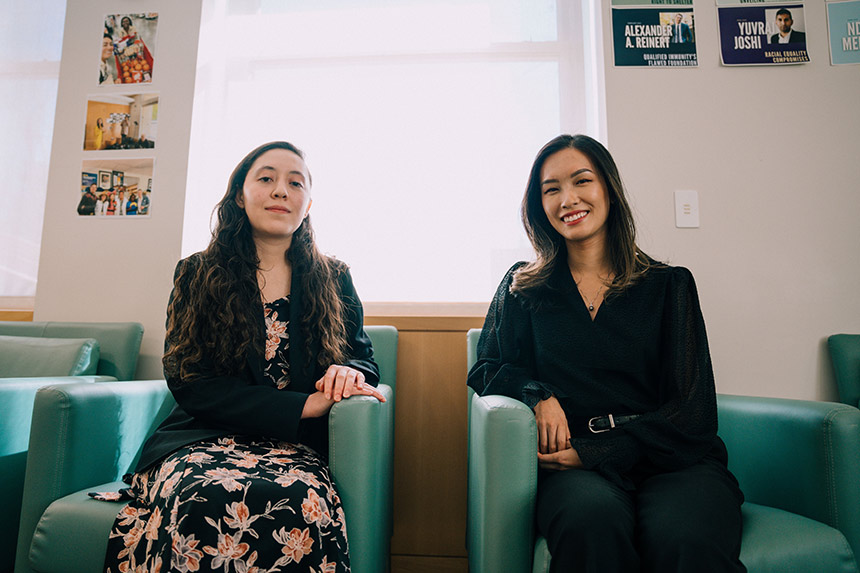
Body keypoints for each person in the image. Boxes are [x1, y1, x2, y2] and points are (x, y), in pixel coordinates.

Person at [94, 141, 385, 572]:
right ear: (239, 195)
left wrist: (348, 370)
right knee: (204, 498)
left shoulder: (334, 276)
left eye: (295, 182)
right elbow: (189, 381)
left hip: (296, 448)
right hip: (200, 438)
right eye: (266, 178)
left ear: (308, 203)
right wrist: (303, 404)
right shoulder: (198, 272)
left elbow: (364, 359)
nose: (281, 191)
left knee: (297, 501)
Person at [467, 134, 745, 572]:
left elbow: (693, 412)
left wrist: (600, 451)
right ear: (539, 205)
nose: (568, 199)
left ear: (608, 190)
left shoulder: (669, 285)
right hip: (573, 471)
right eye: (551, 189)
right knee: (591, 523)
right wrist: (537, 394)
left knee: (685, 537)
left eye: (582, 181)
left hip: (671, 460)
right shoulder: (523, 286)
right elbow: (486, 367)